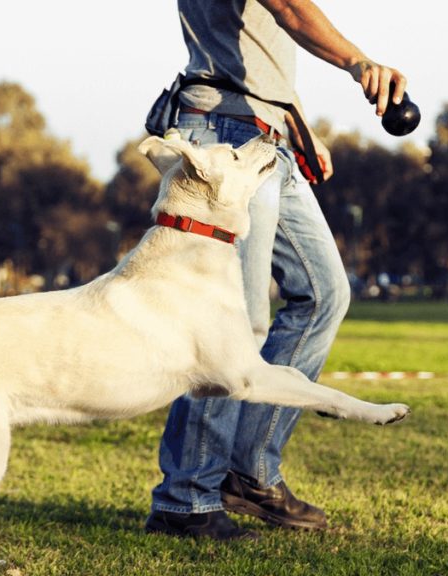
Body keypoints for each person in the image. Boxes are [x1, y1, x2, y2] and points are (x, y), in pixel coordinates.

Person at [144, 0, 408, 540]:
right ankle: (187, 498)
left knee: (324, 293)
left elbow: (257, 47)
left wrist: (295, 123)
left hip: (267, 135)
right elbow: (288, 7)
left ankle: (250, 472)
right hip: (225, 136)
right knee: (233, 326)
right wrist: (358, 63)